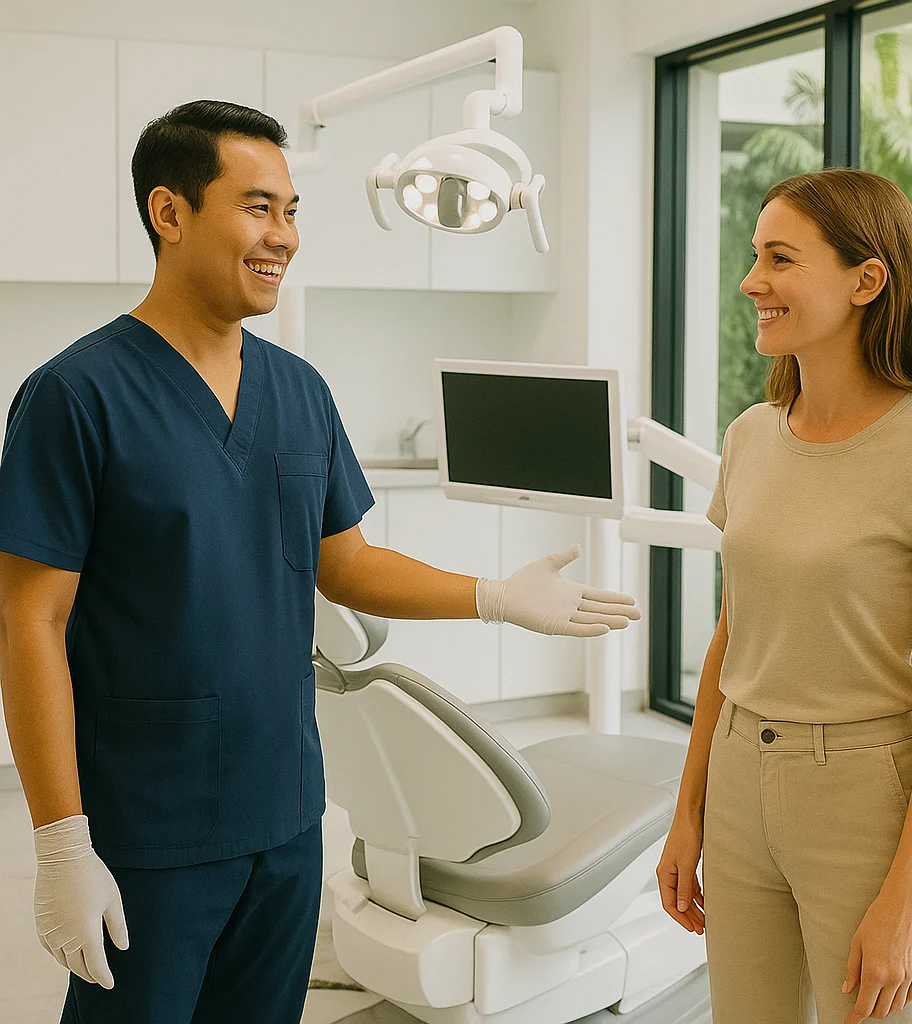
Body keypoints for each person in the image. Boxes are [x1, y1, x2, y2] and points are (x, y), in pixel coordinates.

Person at [0, 99, 641, 1024]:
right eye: (258, 206)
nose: (284, 236)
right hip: (149, 826)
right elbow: (30, 620)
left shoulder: (298, 391)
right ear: (168, 213)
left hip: (289, 816)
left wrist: (494, 596)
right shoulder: (76, 396)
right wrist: (61, 841)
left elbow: (347, 565)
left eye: (293, 211)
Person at [656, 168, 912, 1024]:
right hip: (739, 776)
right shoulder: (751, 435)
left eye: (779, 259)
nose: (751, 282)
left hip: (864, 795)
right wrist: (689, 808)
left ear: (867, 280)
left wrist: (908, 894)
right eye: (752, 257)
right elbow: (733, 637)